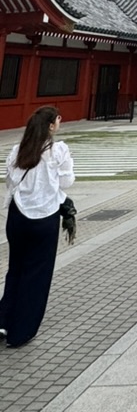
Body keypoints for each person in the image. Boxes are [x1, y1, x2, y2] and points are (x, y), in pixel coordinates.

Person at [0, 106, 75, 348]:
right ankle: (20, 332)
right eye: (58, 119)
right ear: (52, 125)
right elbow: (67, 181)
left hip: (18, 216)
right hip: (45, 217)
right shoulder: (57, 151)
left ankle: (3, 322)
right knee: (37, 275)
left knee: (16, 270)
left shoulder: (17, 151)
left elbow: (10, 180)